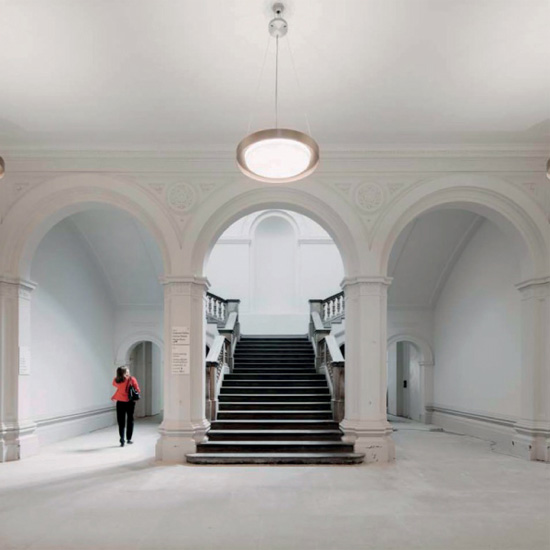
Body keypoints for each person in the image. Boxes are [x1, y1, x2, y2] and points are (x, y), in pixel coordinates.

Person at [111, 366, 141, 447]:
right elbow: (137, 389)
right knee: (130, 420)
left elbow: (117, 386)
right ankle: (129, 439)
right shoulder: (132, 379)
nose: (129, 372)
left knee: (121, 421)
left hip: (120, 402)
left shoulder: (116, 380)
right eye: (127, 371)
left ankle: (122, 439)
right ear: (124, 373)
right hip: (130, 402)